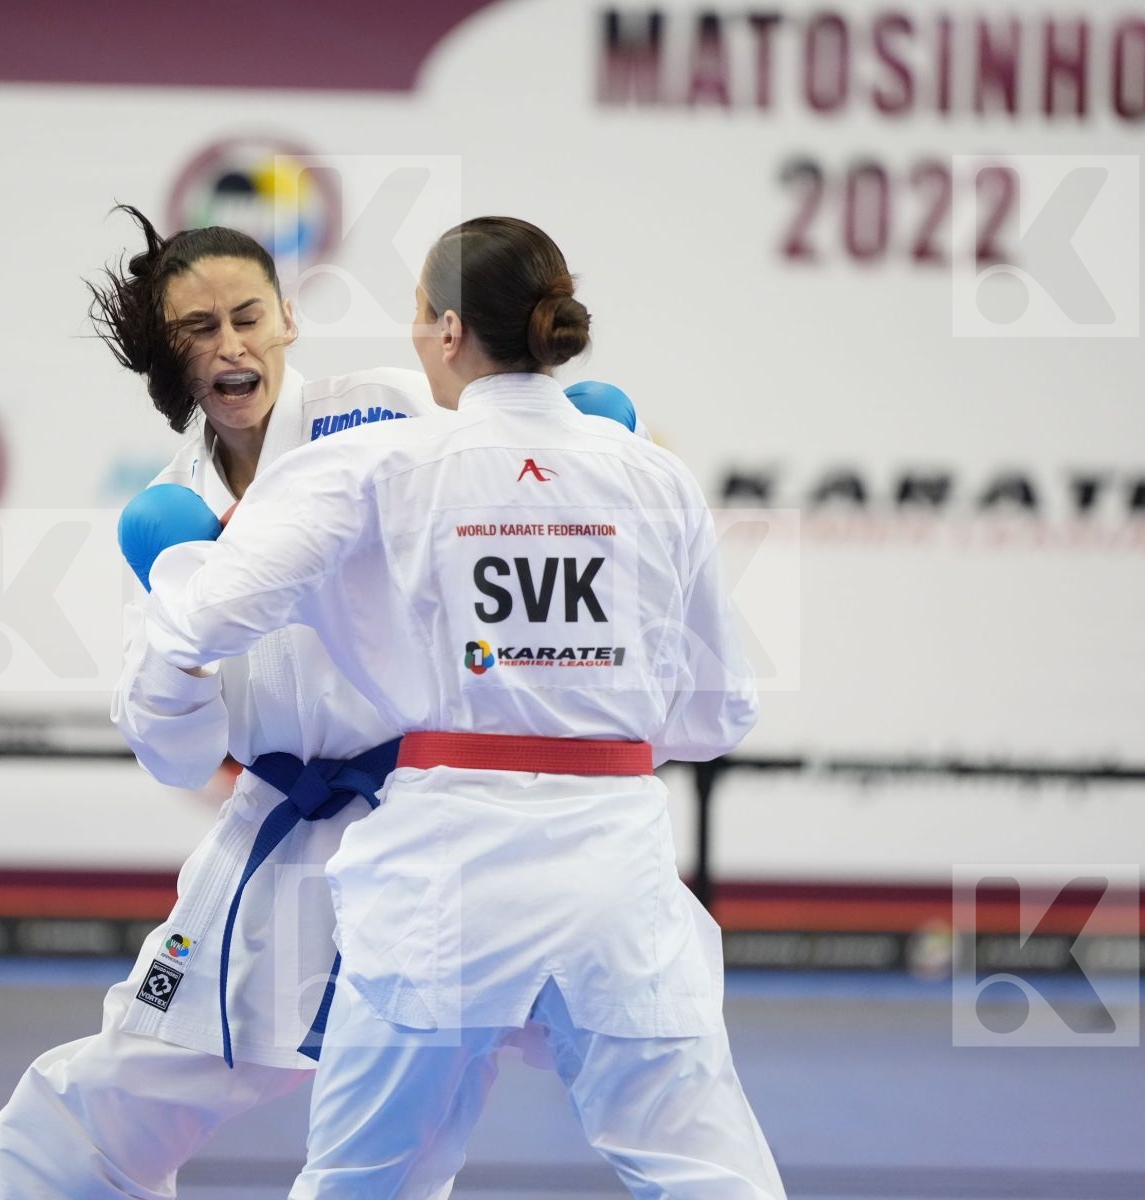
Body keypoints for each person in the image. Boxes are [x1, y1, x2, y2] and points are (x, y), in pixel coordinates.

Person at [0, 208, 641, 1200]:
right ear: (171, 352)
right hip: (284, 839)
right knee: (72, 1125)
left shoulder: (385, 410)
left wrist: (583, 441)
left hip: (434, 824)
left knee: (400, 1158)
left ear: (287, 319)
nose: (230, 346)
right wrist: (179, 645)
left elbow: (510, 459)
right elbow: (174, 754)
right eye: (199, 329)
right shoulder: (172, 509)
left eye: (247, 317)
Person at [140, 217, 787, 1198]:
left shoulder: (380, 466)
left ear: (447, 330)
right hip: (615, 865)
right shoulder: (654, 475)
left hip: (444, 872)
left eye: (416, 314)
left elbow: (208, 619)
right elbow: (720, 715)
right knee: (708, 1173)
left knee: (362, 1179)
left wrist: (177, 559)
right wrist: (579, 704)